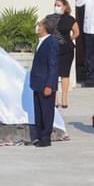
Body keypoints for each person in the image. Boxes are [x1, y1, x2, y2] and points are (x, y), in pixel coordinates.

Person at [30, 15, 59, 148]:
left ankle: (46, 137)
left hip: (45, 83)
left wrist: (50, 85)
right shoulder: (41, 42)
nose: (38, 27)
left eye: (40, 25)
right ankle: (39, 135)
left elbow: (53, 65)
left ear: (46, 28)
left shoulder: (51, 42)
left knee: (46, 111)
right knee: (39, 111)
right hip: (37, 83)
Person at [54, 0, 79, 108]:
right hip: (55, 48)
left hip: (67, 49)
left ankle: (64, 97)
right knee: (54, 73)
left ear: (64, 6)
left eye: (59, 5)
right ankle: (55, 98)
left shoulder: (70, 19)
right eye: (55, 5)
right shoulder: (51, 18)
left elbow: (76, 32)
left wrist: (70, 38)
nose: (56, 7)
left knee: (65, 73)